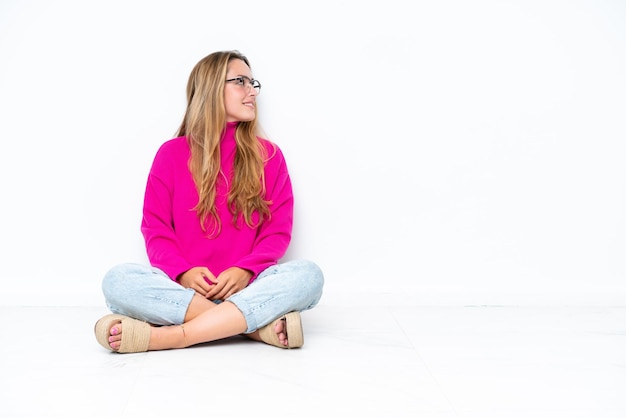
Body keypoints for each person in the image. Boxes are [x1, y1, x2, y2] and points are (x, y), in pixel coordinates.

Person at [94, 50, 324, 353]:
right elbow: (156, 230)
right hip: (184, 292)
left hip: (250, 288)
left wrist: (246, 270)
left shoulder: (269, 156)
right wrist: (183, 273)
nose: (251, 91)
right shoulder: (171, 154)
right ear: (211, 89)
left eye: (253, 83)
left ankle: (174, 336)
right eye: (240, 81)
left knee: (309, 277)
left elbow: (277, 232)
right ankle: (253, 329)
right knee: (118, 281)